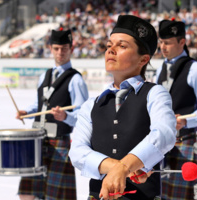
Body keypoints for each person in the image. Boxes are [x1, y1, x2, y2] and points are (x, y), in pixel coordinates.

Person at [69, 15, 177, 200]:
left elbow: (164, 134)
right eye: (109, 45)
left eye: (122, 46)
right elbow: (77, 152)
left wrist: (125, 167)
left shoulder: (155, 93)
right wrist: (120, 168)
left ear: (143, 60)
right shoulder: (91, 105)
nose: (111, 50)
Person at [16, 29, 89, 200]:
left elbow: (84, 114)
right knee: (27, 193)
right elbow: (39, 104)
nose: (60, 52)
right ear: (50, 48)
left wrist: (66, 117)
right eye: (56, 48)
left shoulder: (76, 79)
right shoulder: (44, 76)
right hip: (37, 141)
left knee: (54, 196)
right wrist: (26, 112)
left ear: (71, 48)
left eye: (64, 48)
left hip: (59, 143)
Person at [156, 19, 197, 199]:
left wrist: (186, 121)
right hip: (161, 145)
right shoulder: (160, 69)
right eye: (161, 42)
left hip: (185, 142)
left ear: (182, 42)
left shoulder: (196, 70)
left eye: (168, 43)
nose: (163, 47)